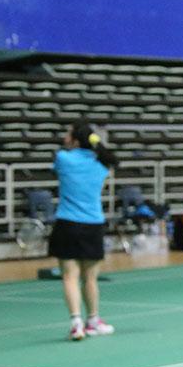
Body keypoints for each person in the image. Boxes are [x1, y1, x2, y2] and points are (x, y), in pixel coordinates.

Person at [50, 121, 118, 341]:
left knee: (69, 276)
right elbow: (109, 158)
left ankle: (76, 323)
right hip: (92, 225)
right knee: (90, 278)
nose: (64, 137)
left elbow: (59, 164)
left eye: (68, 134)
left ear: (76, 140)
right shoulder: (101, 165)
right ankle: (93, 321)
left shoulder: (63, 158)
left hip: (67, 224)